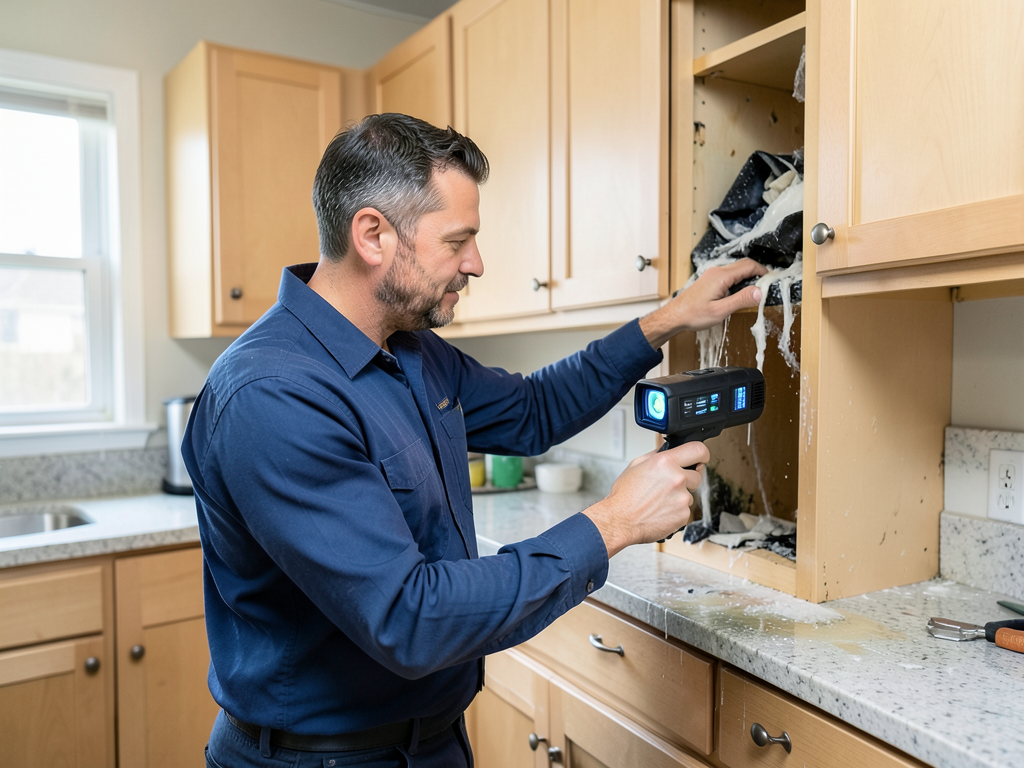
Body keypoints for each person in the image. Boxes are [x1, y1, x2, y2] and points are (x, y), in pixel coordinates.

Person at [185, 113, 766, 768]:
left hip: (431, 743)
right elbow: (410, 619)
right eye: (458, 240)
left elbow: (533, 410)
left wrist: (667, 319)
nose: (477, 264)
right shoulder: (272, 395)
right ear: (373, 235)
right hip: (318, 758)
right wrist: (616, 522)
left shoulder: (411, 351)